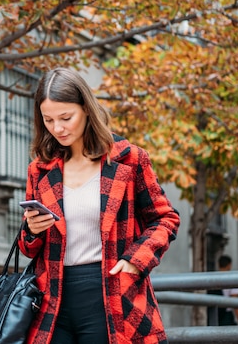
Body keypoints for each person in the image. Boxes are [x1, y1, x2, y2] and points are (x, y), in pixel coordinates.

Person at [18, 68, 181, 344]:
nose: (58, 128)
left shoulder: (129, 160)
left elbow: (165, 218)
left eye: (66, 118)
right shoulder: (41, 169)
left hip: (111, 292)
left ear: (86, 109)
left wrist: (134, 260)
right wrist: (31, 230)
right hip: (51, 300)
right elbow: (28, 248)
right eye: (49, 120)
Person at [208, 255, 238, 326]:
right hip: (226, 315)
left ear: (218, 265)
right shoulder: (232, 279)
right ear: (229, 265)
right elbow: (235, 302)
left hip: (213, 313)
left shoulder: (212, 278)